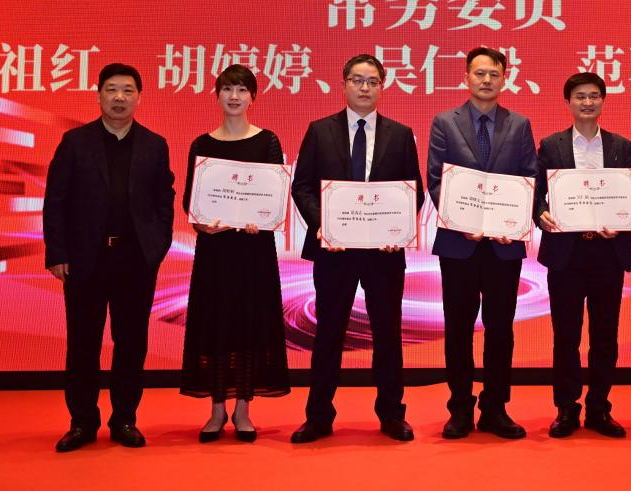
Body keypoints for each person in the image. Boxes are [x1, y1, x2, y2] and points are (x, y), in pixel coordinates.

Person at [289, 55, 423, 443]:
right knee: (329, 333)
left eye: (372, 81)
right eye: (357, 80)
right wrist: (324, 224)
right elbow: (302, 186)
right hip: (334, 252)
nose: (364, 88)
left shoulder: (401, 134)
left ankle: (391, 414)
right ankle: (318, 416)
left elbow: (411, 191)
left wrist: (397, 228)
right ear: (344, 83)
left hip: (383, 253)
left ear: (382, 86)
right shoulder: (319, 131)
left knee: (387, 334)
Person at [43, 63, 174, 452]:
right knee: (83, 343)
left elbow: (163, 202)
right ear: (98, 94)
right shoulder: (75, 142)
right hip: (86, 259)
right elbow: (55, 201)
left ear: (139, 97)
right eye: (112, 89)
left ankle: (124, 420)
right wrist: (57, 252)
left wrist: (156, 248)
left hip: (135, 260)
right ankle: (82, 422)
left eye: (128, 90)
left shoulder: (154, 145)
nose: (119, 97)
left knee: (131, 344)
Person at [428, 46, 538, 440]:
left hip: (503, 244)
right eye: (479, 73)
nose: (486, 80)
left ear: (504, 78)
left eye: (494, 73)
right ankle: (460, 408)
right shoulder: (445, 122)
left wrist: (513, 220)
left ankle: (495, 407)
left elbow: (529, 178)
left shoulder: (519, 124)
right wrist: (462, 222)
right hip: (459, 244)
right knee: (458, 329)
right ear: (466, 77)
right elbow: (436, 180)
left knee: (500, 329)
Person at [179, 65, 291, 443]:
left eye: (242, 90)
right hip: (215, 252)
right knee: (215, 325)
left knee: (249, 325)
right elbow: (191, 201)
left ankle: (243, 409)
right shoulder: (202, 145)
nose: (234, 96)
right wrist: (202, 224)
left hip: (253, 252)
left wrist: (262, 218)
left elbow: (274, 196)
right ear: (217, 95)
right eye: (227, 89)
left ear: (252, 97)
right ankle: (216, 410)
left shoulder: (267, 141)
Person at [534, 72, 631, 439]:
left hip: (608, 252)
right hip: (567, 253)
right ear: (568, 102)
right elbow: (536, 194)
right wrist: (541, 214)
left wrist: (621, 222)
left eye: (594, 96)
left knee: (605, 335)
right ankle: (566, 408)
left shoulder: (621, 145)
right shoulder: (551, 145)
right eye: (580, 96)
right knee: (565, 335)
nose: (588, 102)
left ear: (603, 100)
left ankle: (599, 408)